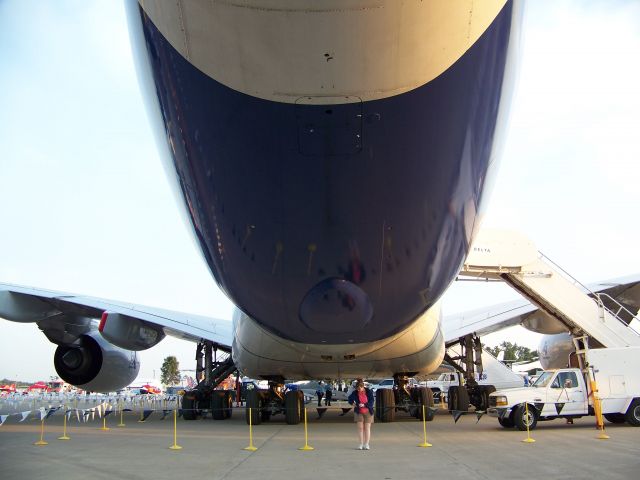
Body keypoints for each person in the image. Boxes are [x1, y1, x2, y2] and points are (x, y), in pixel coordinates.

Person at [347, 379, 374, 450]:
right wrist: (354, 404)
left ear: (363, 387)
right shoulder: (355, 392)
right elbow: (349, 399)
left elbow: (371, 402)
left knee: (367, 428)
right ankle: (360, 444)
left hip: (368, 411)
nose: (359, 390)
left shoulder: (369, 392)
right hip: (359, 411)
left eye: (360, 389)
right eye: (357, 389)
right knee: (360, 428)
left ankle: (366, 444)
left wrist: (364, 405)